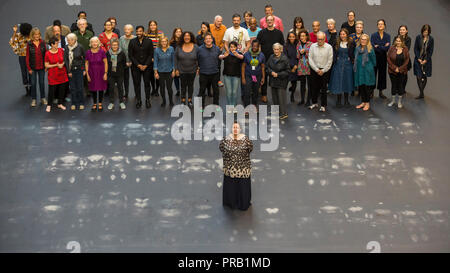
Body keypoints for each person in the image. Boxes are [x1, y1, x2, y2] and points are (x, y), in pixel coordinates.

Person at [219, 121, 253, 211]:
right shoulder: (225, 139)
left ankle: (243, 203)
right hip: (230, 168)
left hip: (243, 168)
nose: (235, 129)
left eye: (237, 128)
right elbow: (221, 148)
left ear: (240, 129)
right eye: (234, 127)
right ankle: (231, 203)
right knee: (231, 186)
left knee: (243, 187)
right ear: (231, 129)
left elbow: (250, 149)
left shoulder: (246, 140)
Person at [256, 15, 284, 103]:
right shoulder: (261, 32)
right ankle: (264, 95)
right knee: (264, 77)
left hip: (275, 60)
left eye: (271, 20)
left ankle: (276, 96)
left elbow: (282, 46)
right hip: (264, 59)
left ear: (274, 21)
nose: (269, 22)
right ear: (266, 22)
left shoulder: (279, 33)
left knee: (275, 78)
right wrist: (259, 57)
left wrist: (280, 57)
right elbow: (258, 45)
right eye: (268, 20)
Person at [128, 26, 154, 109]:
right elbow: (130, 55)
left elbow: (151, 54)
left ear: (143, 32)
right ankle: (139, 100)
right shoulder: (132, 42)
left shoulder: (149, 41)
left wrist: (146, 65)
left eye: (140, 31)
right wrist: (138, 65)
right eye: (137, 31)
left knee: (147, 84)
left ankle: (147, 100)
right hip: (136, 67)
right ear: (135, 32)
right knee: (137, 84)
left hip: (147, 67)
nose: (139, 33)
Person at [329, 29, 355, 107]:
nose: (342, 36)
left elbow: (353, 52)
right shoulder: (336, 42)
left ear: (347, 35)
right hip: (338, 64)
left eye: (344, 34)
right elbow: (333, 52)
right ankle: (339, 100)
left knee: (347, 81)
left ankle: (346, 101)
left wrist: (352, 58)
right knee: (338, 82)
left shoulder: (351, 43)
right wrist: (335, 59)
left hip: (348, 65)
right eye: (341, 34)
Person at [308, 31, 333, 112]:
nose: (320, 41)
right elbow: (310, 59)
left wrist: (323, 70)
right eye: (319, 39)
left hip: (325, 71)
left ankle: (323, 105)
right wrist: (316, 69)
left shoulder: (329, 47)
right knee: (314, 87)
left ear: (325, 38)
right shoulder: (312, 46)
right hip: (314, 70)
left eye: (322, 39)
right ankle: (314, 103)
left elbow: (330, 61)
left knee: (323, 89)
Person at [174, 31, 198, 107]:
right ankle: (183, 100)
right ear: (183, 37)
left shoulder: (196, 47)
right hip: (182, 70)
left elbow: (199, 58)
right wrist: (176, 69)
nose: (187, 37)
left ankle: (190, 100)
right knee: (183, 86)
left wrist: (198, 68)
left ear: (191, 37)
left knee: (191, 85)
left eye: (188, 36)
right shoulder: (178, 47)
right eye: (185, 36)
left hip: (192, 70)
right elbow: (175, 59)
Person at [267, 43, 290, 119]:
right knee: (274, 98)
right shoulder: (271, 57)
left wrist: (278, 74)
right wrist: (271, 72)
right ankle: (277, 112)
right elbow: (267, 67)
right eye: (274, 49)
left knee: (281, 98)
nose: (276, 51)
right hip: (273, 81)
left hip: (281, 81)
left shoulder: (284, 59)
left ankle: (284, 113)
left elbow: (288, 71)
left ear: (281, 50)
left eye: (277, 49)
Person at [197, 33, 221, 108]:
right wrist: (198, 68)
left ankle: (216, 106)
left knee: (216, 91)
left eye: (209, 38)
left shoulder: (217, 49)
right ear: (204, 41)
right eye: (206, 39)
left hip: (214, 73)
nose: (208, 40)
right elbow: (197, 60)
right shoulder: (199, 49)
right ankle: (201, 107)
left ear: (212, 40)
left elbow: (219, 60)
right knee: (202, 91)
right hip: (203, 73)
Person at [44, 37, 68, 112]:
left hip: (62, 73)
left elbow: (65, 59)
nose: (58, 44)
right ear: (52, 44)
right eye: (56, 43)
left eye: (58, 43)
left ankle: (60, 103)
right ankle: (49, 105)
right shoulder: (47, 53)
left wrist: (62, 64)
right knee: (52, 91)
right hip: (53, 75)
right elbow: (46, 65)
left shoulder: (61, 50)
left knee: (62, 89)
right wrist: (56, 65)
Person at [354, 34, 376, 111]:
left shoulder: (370, 50)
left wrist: (369, 68)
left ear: (367, 41)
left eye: (365, 39)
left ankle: (367, 103)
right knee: (361, 87)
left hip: (367, 71)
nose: (363, 41)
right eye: (362, 39)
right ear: (360, 40)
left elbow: (374, 62)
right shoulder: (357, 49)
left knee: (367, 87)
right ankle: (363, 102)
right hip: (359, 70)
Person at [85, 36, 108, 111]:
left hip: (101, 72)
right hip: (92, 72)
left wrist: (105, 73)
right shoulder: (88, 52)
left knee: (101, 88)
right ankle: (94, 103)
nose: (94, 43)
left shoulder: (102, 51)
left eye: (96, 42)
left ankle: (100, 103)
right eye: (92, 42)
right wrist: (87, 74)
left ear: (98, 43)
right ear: (90, 43)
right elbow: (86, 63)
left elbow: (106, 63)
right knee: (93, 88)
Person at [387, 36, 410, 109]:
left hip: (402, 71)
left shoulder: (405, 49)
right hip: (392, 71)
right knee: (393, 85)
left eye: (399, 41)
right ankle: (393, 101)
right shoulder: (392, 48)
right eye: (397, 41)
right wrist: (394, 68)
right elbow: (388, 59)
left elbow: (407, 60)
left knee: (400, 86)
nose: (398, 42)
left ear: (402, 42)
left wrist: (399, 69)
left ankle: (399, 102)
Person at [64, 33, 86, 110]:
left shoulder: (80, 47)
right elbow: (66, 60)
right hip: (71, 70)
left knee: (80, 87)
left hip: (79, 70)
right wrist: (68, 71)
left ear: (74, 40)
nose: (68, 41)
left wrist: (84, 69)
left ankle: (81, 102)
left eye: (69, 40)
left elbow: (84, 59)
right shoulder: (66, 47)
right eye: (67, 40)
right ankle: (74, 103)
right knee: (73, 88)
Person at [10, 23, 32, 96]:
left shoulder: (31, 35)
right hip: (23, 57)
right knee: (24, 72)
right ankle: (27, 89)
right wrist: (15, 32)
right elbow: (12, 41)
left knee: (30, 72)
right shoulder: (19, 35)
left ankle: (31, 88)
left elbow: (12, 43)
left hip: (30, 56)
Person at [242, 39, 265, 109]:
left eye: (256, 46)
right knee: (247, 91)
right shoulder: (246, 54)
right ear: (251, 46)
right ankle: (246, 107)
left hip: (257, 76)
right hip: (248, 75)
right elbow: (243, 67)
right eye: (253, 46)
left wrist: (263, 77)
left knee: (256, 91)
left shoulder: (261, 55)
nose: (254, 47)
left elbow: (263, 67)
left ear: (259, 47)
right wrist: (243, 78)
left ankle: (254, 105)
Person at [26, 27, 47, 107]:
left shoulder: (43, 43)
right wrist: (29, 68)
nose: (37, 36)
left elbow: (46, 55)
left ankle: (43, 98)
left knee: (41, 83)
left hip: (42, 67)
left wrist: (46, 66)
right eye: (35, 34)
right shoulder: (29, 44)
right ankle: (34, 99)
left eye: (38, 34)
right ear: (32, 35)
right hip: (33, 68)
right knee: (33, 84)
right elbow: (27, 57)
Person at [370, 19, 391, 99]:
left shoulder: (387, 36)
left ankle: (381, 92)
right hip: (374, 57)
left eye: (382, 24)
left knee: (382, 74)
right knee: (373, 74)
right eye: (379, 24)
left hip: (383, 57)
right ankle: (371, 91)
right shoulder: (373, 35)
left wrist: (378, 46)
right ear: (377, 26)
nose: (380, 25)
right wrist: (382, 46)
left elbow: (387, 48)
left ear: (384, 26)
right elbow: (372, 47)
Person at [73, 18, 94, 98]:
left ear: (86, 25)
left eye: (83, 24)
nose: (82, 26)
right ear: (78, 26)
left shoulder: (90, 33)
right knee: (78, 75)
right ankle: (79, 91)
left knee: (88, 74)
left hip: (88, 57)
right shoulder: (74, 34)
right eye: (80, 24)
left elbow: (92, 45)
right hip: (77, 58)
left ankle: (88, 91)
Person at [220, 41, 244, 107]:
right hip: (227, 75)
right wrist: (224, 55)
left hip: (236, 76)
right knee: (229, 92)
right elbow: (219, 57)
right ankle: (230, 106)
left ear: (236, 47)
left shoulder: (239, 54)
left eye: (234, 47)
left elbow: (243, 57)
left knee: (234, 92)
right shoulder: (227, 53)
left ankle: (234, 105)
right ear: (229, 47)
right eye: (231, 47)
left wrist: (237, 55)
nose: (232, 48)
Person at [154, 37, 175, 107]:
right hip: (160, 71)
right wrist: (156, 72)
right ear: (160, 42)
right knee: (162, 88)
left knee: (169, 88)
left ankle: (171, 101)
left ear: (167, 42)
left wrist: (174, 70)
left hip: (169, 71)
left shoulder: (171, 49)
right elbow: (155, 62)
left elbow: (173, 60)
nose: (164, 43)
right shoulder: (157, 50)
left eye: (165, 41)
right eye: (162, 41)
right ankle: (164, 101)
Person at [413, 24, 433, 99]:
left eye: (426, 32)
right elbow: (415, 49)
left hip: (426, 60)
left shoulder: (431, 39)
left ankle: (421, 93)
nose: (425, 33)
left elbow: (431, 51)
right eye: (424, 32)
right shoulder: (418, 37)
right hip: (418, 60)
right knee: (418, 76)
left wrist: (426, 60)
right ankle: (421, 93)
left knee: (424, 76)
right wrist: (418, 58)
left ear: (429, 32)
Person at [106, 38, 127, 110]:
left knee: (120, 88)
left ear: (118, 45)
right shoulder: (108, 53)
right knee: (111, 88)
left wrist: (120, 70)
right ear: (111, 45)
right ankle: (111, 102)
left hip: (119, 74)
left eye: (116, 45)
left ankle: (121, 102)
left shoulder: (122, 53)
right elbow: (106, 64)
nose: (115, 46)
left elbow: (124, 64)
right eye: (113, 45)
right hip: (111, 74)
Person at [146, 20, 164, 96]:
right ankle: (153, 89)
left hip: (158, 56)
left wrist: (156, 58)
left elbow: (162, 45)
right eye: (151, 25)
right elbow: (145, 46)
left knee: (158, 74)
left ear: (156, 26)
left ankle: (157, 90)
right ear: (149, 26)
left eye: (154, 25)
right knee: (150, 75)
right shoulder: (146, 34)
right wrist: (150, 58)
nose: (152, 26)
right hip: (149, 56)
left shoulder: (160, 33)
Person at [296, 29, 313, 106]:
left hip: (309, 65)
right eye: (300, 36)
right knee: (302, 84)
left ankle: (308, 100)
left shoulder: (311, 44)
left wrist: (305, 52)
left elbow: (312, 55)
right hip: (301, 65)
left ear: (306, 36)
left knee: (309, 84)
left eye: (303, 36)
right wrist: (299, 52)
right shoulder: (298, 45)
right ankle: (302, 99)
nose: (302, 37)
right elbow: (297, 56)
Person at [209, 15, 227, 87]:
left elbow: (225, 39)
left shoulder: (224, 27)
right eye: (218, 21)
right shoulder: (210, 26)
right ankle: (209, 81)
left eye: (221, 21)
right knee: (209, 65)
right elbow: (201, 33)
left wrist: (222, 47)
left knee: (218, 66)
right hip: (209, 49)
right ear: (214, 21)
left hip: (218, 50)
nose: (219, 23)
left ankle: (218, 80)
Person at [119, 24, 136, 100]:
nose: (127, 31)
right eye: (125, 29)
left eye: (129, 29)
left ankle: (137, 93)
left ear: (132, 30)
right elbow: (119, 51)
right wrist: (125, 61)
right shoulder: (121, 38)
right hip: (124, 62)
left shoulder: (135, 38)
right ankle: (125, 94)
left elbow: (137, 51)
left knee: (136, 79)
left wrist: (133, 61)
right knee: (125, 79)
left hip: (134, 62)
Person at [396, 25, 412, 92]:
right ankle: (397, 88)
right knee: (397, 74)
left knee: (404, 75)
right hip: (396, 59)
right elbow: (394, 47)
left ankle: (403, 88)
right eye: (400, 30)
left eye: (403, 30)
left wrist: (399, 48)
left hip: (405, 59)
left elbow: (406, 49)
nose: (401, 31)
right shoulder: (396, 38)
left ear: (406, 31)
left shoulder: (408, 39)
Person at [284, 32, 299, 103]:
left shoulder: (298, 45)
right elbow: (285, 57)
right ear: (288, 38)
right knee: (285, 82)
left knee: (294, 83)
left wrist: (296, 66)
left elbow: (299, 57)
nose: (292, 38)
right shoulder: (286, 46)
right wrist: (292, 66)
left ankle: (292, 94)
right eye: (290, 37)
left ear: (295, 37)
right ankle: (283, 97)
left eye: (293, 36)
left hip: (296, 66)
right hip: (288, 66)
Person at [170, 27, 183, 96]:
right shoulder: (171, 42)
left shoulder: (184, 41)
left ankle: (183, 89)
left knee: (183, 77)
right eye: (177, 32)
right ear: (174, 33)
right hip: (175, 61)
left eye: (180, 32)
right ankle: (178, 90)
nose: (178, 33)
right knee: (176, 77)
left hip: (183, 62)